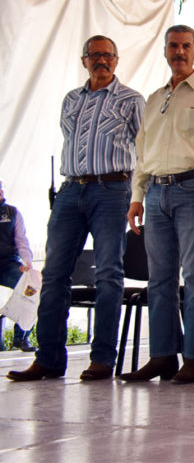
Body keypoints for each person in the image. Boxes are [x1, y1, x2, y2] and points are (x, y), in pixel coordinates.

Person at [8, 35, 144, 382]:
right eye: (95, 56)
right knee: (53, 275)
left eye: (108, 56)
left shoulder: (131, 100)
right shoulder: (71, 100)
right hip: (71, 191)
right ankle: (48, 359)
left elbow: (144, 149)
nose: (102, 61)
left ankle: (101, 359)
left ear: (117, 60)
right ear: (84, 60)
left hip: (112, 189)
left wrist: (136, 194)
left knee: (108, 273)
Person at [120, 25, 194, 384]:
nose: (179, 52)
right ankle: (163, 356)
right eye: (173, 46)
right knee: (159, 280)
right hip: (156, 194)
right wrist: (137, 197)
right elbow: (142, 153)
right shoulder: (154, 99)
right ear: (165, 51)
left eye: (185, 46)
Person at [0, 179, 36, 352]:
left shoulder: (12, 212)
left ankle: (21, 337)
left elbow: (22, 241)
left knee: (32, 288)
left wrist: (27, 263)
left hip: (8, 263)